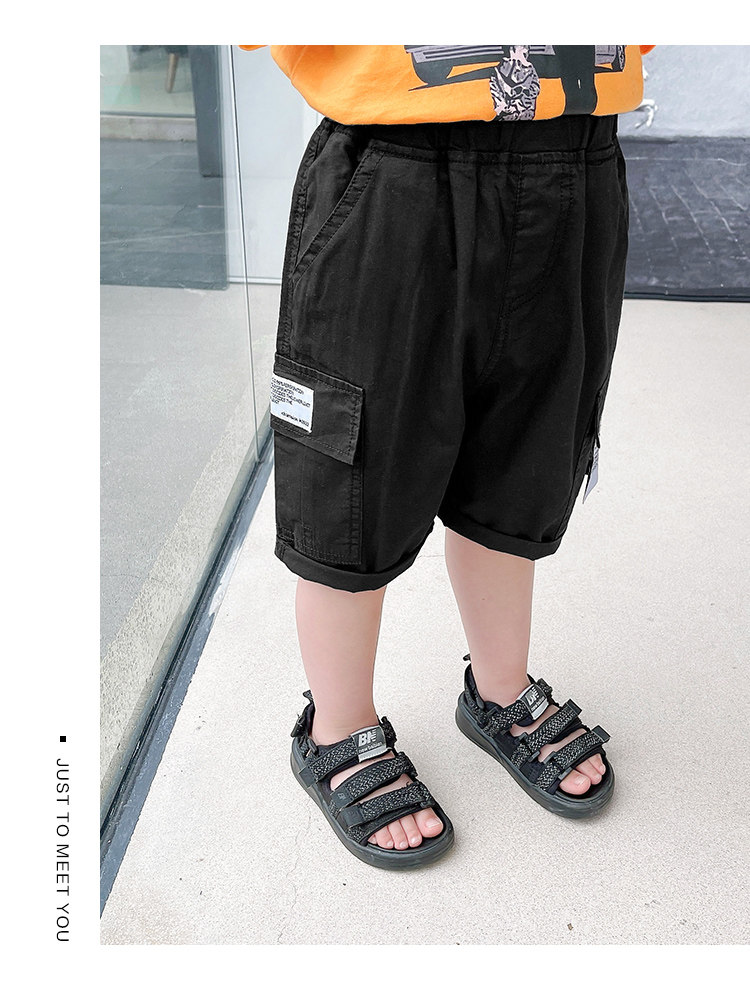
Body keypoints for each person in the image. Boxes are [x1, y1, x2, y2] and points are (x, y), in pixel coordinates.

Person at [242, 43, 654, 869]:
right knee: (353, 474)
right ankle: (338, 726)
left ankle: (500, 687)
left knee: (526, 457)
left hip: (573, 156)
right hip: (397, 165)